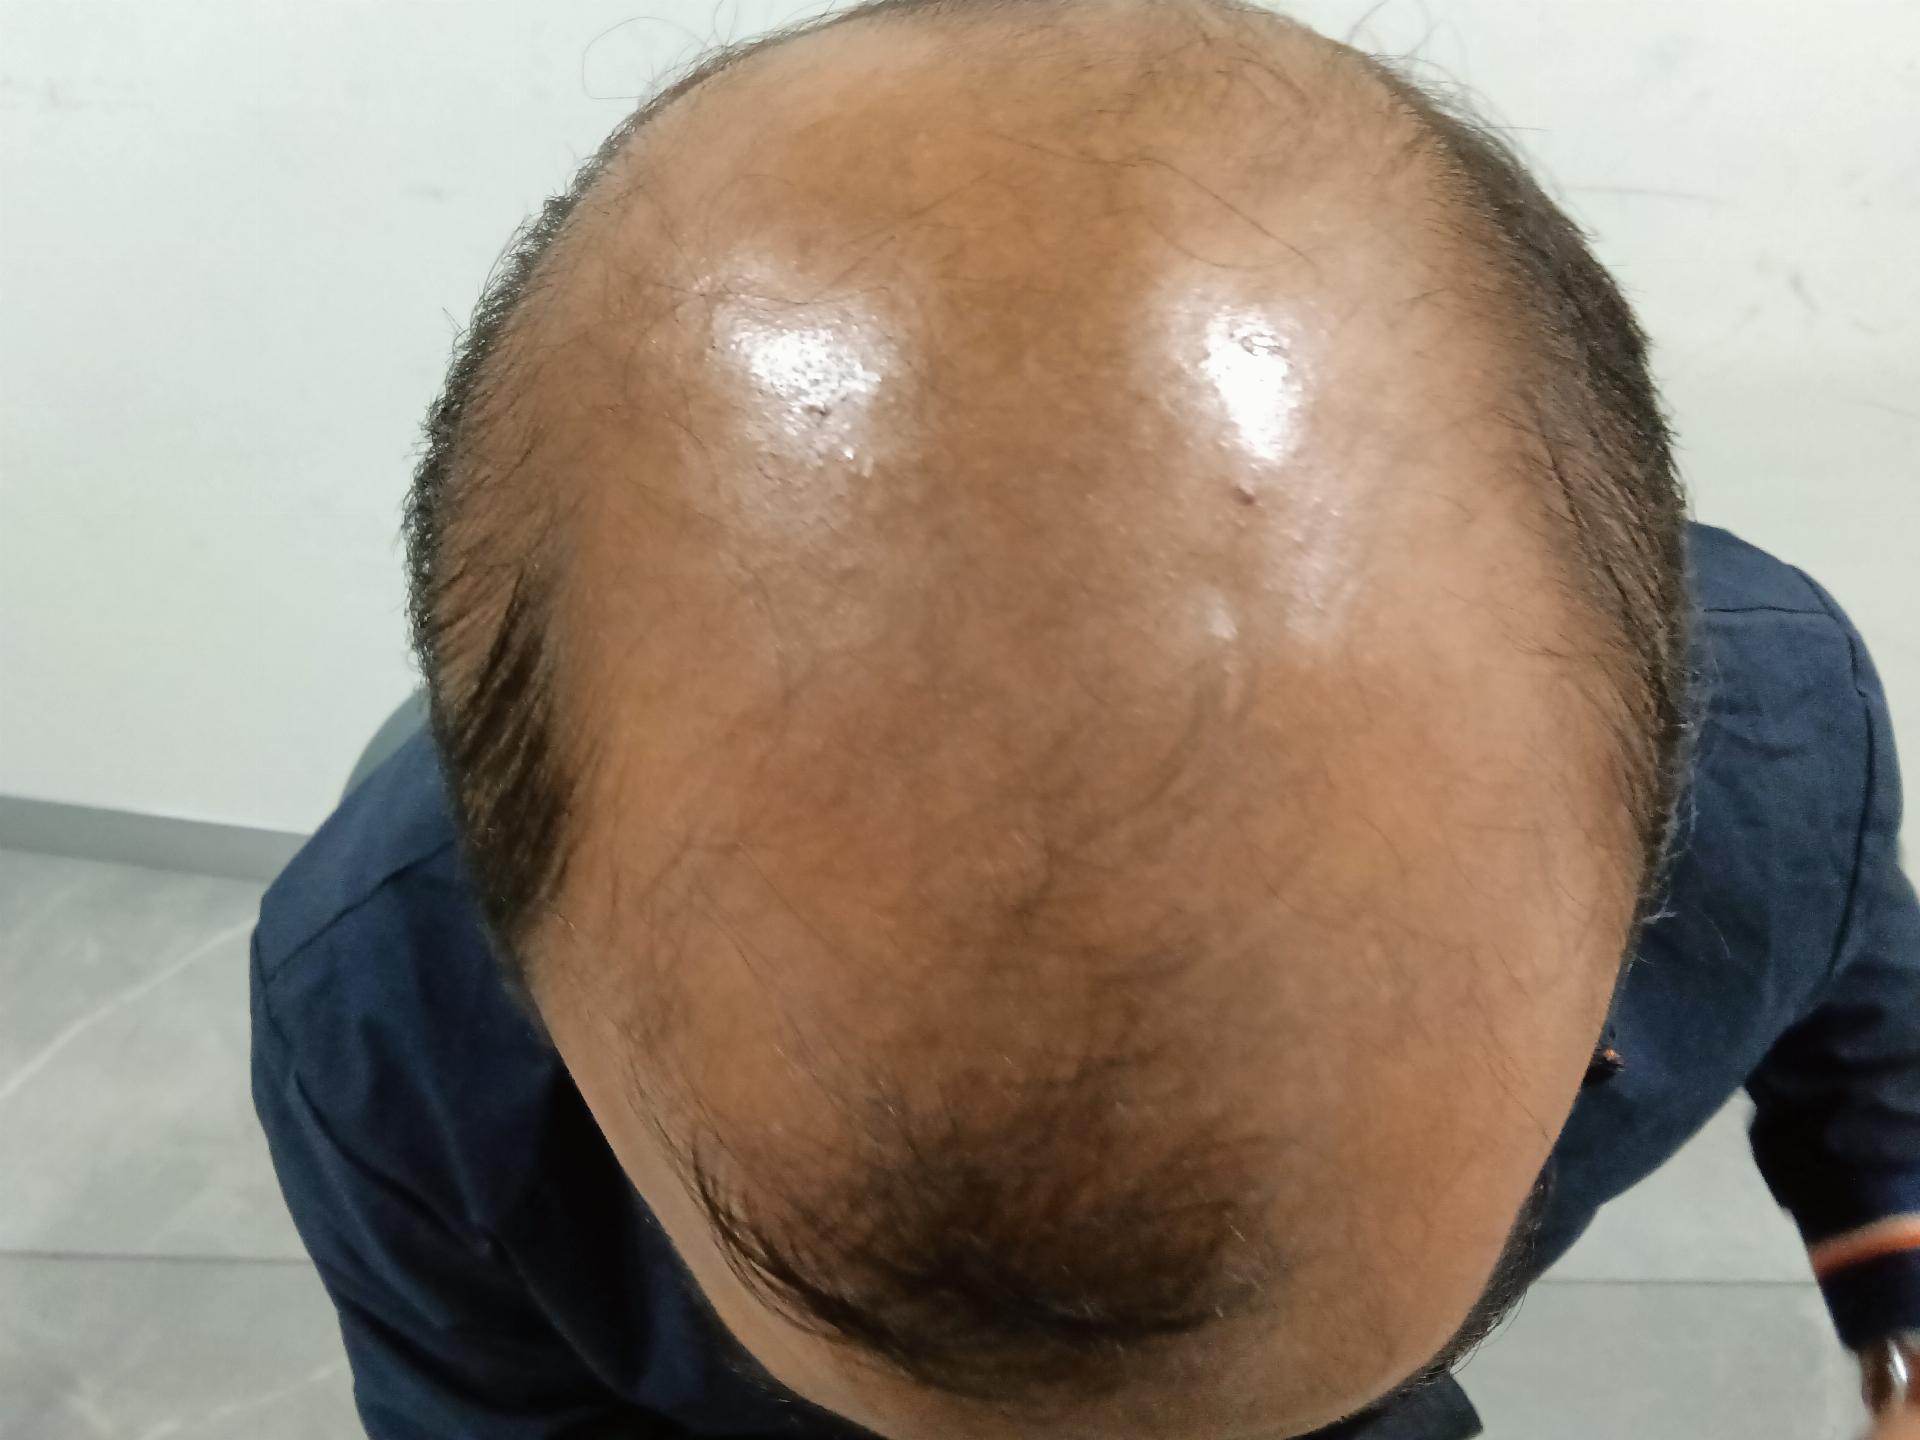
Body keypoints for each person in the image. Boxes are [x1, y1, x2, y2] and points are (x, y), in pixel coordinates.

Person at [248, 0, 1920, 1435]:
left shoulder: (1777, 747)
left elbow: (1866, 1012)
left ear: (1656, 828)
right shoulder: (391, 1030)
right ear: (535, 974)